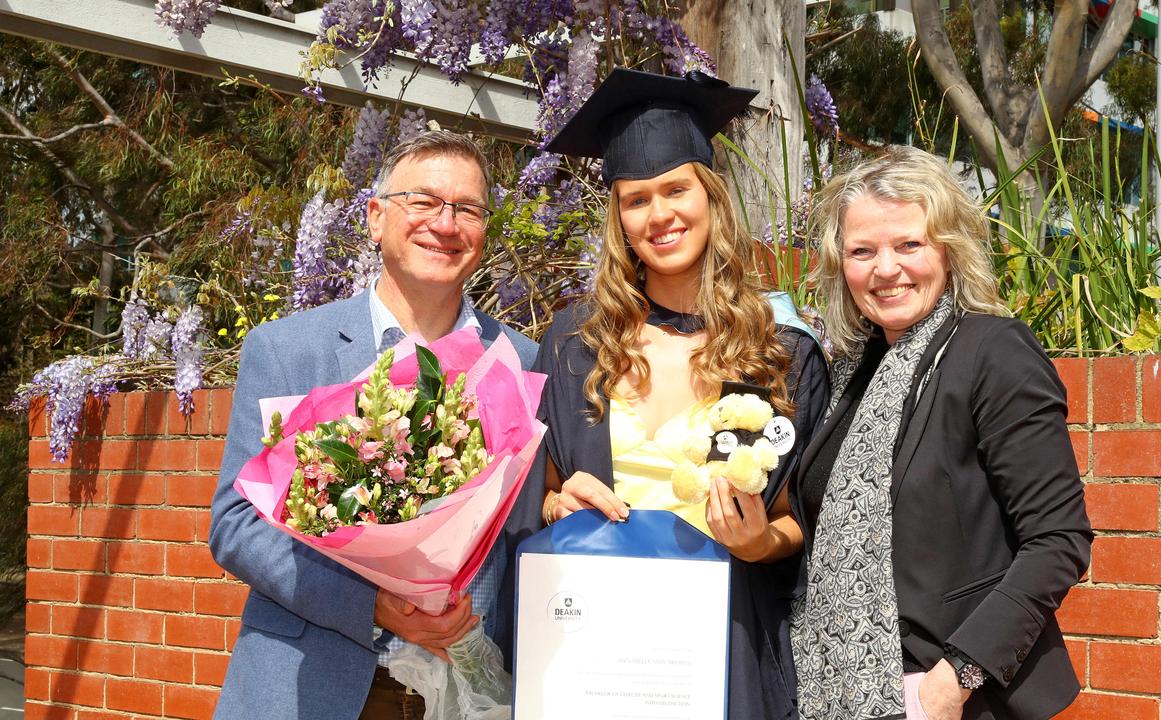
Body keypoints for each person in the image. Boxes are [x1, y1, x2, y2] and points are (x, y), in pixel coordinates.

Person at [508, 68, 830, 720]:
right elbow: (528, 493)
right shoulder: (573, 344)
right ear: (618, 218)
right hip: (591, 651)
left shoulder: (782, 353)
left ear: (711, 197)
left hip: (721, 651)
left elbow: (804, 520)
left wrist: (756, 541)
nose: (660, 215)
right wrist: (554, 503)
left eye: (676, 189)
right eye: (637, 199)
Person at [208, 130, 538, 720]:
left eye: (467, 208)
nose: (445, 222)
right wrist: (371, 603)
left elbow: (527, 524)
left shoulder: (524, 361)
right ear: (375, 217)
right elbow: (235, 526)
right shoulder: (289, 351)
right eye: (423, 201)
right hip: (317, 686)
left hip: (470, 692)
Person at [788, 145, 1092, 720]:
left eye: (909, 244)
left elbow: (1059, 539)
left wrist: (957, 677)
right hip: (839, 694)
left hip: (954, 697)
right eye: (862, 251)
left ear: (949, 249)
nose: (885, 269)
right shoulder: (853, 371)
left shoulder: (993, 352)